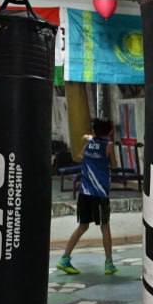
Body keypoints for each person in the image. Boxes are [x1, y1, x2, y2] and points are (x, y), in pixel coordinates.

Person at [57, 118, 117, 275]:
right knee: (105, 226)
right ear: (109, 131)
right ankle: (109, 264)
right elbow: (114, 165)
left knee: (82, 226)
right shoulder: (109, 146)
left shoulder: (88, 144)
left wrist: (90, 145)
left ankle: (64, 258)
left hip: (84, 193)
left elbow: (79, 156)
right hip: (100, 193)